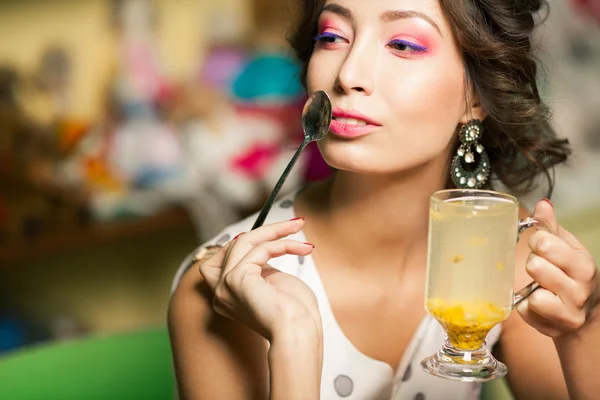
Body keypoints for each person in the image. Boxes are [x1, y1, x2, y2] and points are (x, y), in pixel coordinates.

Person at [167, 0, 600, 399]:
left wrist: (584, 327)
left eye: (403, 44)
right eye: (332, 37)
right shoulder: (218, 290)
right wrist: (294, 340)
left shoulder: (503, 245)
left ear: (476, 95)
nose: (348, 74)